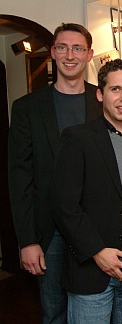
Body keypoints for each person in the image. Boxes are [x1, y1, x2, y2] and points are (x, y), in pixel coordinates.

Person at [50, 59, 122, 323]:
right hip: (91, 273)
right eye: (115, 89)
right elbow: (64, 206)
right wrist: (97, 252)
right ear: (100, 94)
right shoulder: (77, 138)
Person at [8, 23, 101, 324]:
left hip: (96, 230)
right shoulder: (27, 108)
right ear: (52, 53)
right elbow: (19, 178)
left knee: (95, 312)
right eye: (63, 47)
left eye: (77, 49)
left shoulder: (105, 103)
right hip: (49, 236)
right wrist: (27, 240)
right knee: (54, 315)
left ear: (89, 54)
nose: (70, 55)